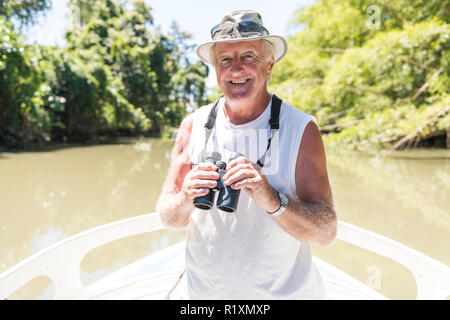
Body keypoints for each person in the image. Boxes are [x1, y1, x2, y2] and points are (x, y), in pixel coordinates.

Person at [156, 10, 337, 299]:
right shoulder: (193, 125)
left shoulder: (301, 129)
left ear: (269, 65)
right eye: (225, 60)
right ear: (216, 70)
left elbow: (326, 232)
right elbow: (169, 217)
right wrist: (186, 196)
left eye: (248, 57)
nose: (236, 69)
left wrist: (273, 201)